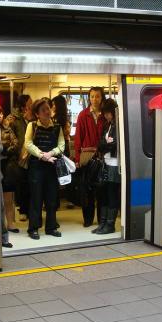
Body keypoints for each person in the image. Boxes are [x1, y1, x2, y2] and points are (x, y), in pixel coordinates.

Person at [25, 97, 65, 240]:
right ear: (37, 114)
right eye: (43, 110)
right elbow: (28, 144)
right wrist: (42, 155)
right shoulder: (32, 126)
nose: (47, 112)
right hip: (36, 166)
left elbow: (61, 146)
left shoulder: (57, 127)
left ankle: (51, 227)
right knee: (36, 197)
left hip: (52, 165)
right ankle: (33, 228)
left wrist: (50, 154)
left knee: (52, 197)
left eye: (48, 108)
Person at [74, 87, 104, 227]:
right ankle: (88, 219)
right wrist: (77, 158)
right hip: (86, 155)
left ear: (101, 97)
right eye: (92, 96)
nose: (94, 99)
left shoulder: (106, 115)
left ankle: (102, 219)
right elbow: (78, 138)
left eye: (97, 96)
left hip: (103, 155)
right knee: (87, 189)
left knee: (101, 189)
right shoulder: (83, 115)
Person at [94, 98, 121, 234]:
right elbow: (101, 144)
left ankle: (110, 224)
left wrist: (105, 145)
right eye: (105, 113)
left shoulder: (119, 125)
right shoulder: (107, 125)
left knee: (112, 194)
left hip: (115, 164)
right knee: (103, 193)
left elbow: (114, 145)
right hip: (105, 162)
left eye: (108, 113)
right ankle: (103, 222)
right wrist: (105, 145)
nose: (106, 116)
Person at [7, 94, 34, 221]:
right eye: (30, 102)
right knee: (22, 184)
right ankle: (23, 210)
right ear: (24, 105)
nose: (32, 103)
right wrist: (18, 151)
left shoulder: (32, 117)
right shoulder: (14, 119)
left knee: (31, 184)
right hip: (19, 156)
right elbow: (11, 136)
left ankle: (30, 210)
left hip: (31, 154)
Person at [0, 107, 19, 233]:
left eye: (1, 112)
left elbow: (16, 144)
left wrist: (6, 149)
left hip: (6, 164)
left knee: (8, 197)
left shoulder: (8, 129)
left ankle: (10, 224)